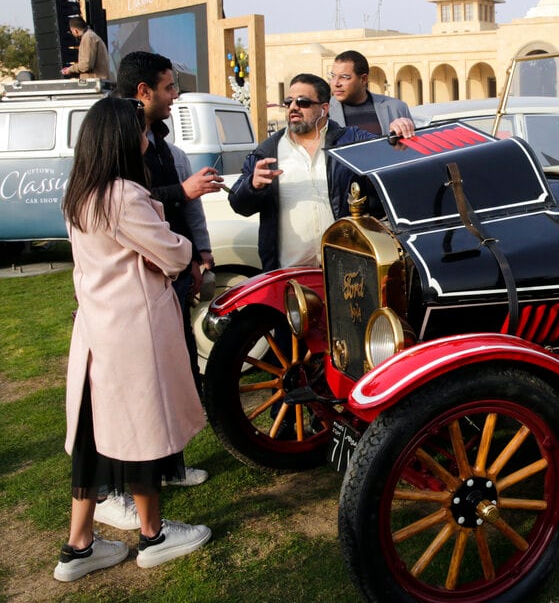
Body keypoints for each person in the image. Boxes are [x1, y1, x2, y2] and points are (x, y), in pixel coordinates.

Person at [54, 97, 211, 582]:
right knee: (142, 430)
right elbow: (173, 254)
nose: (147, 137)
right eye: (139, 130)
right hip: (133, 331)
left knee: (93, 437)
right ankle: (154, 536)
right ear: (121, 138)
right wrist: (176, 242)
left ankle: (79, 545)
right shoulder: (122, 194)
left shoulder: (79, 193)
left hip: (97, 329)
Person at [91, 52, 220, 533]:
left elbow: (177, 222)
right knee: (136, 401)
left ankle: (166, 467)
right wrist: (182, 227)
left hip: (154, 294)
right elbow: (138, 215)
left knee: (174, 376)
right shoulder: (116, 171)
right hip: (128, 308)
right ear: (142, 92)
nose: (175, 97)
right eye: (169, 88)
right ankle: (126, 501)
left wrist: (198, 253)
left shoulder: (160, 144)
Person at [231, 73, 406, 270]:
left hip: (347, 271)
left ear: (324, 108)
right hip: (290, 274)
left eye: (303, 102)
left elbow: (390, 156)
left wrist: (397, 132)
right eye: (288, 102)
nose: (293, 108)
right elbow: (238, 204)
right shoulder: (267, 152)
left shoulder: (350, 142)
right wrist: (253, 186)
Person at [327, 50, 414, 136]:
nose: (335, 83)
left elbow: (412, 147)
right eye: (333, 76)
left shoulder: (396, 108)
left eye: (344, 77)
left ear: (363, 79)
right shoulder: (323, 112)